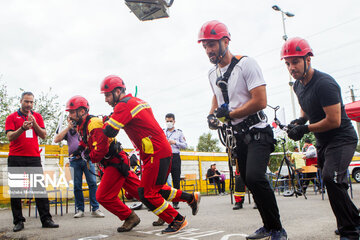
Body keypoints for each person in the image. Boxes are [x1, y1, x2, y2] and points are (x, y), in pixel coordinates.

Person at [198, 20, 287, 240]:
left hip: (258, 131)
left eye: (212, 44)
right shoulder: (212, 74)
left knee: (256, 176)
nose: (209, 50)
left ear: (225, 41)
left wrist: (231, 114)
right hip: (237, 136)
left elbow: (260, 101)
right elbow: (216, 97)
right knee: (248, 180)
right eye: (205, 46)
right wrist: (212, 115)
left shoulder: (246, 64)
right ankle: (268, 226)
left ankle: (278, 229)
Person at [100, 75, 200, 234]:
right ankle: (190, 198)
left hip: (155, 152)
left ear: (118, 91)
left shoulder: (123, 105)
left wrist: (106, 121)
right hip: (156, 151)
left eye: (107, 95)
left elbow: (110, 131)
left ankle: (176, 219)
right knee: (157, 189)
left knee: (146, 194)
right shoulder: (138, 101)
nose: (105, 99)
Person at [281, 37, 359, 240]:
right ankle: (353, 219)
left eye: (295, 62)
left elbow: (333, 120)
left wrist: (305, 128)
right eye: (288, 63)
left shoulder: (325, 84)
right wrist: (299, 121)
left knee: (330, 179)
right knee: (334, 183)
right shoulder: (298, 85)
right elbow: (306, 110)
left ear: (308, 59)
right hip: (323, 141)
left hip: (342, 138)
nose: (291, 67)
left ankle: (349, 231)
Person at [65, 95, 141, 232]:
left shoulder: (93, 123)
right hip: (111, 162)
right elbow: (84, 141)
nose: (70, 115)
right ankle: (170, 213)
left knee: (103, 196)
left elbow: (101, 149)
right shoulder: (81, 125)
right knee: (142, 191)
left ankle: (130, 217)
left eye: (72, 112)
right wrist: (80, 150)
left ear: (82, 111)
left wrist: (89, 156)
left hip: (115, 161)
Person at [5, 92, 59, 232]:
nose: (29, 104)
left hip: (33, 157)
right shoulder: (11, 117)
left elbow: (44, 135)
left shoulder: (38, 116)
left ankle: (46, 219)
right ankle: (18, 221)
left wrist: (34, 123)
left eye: (31, 102)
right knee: (16, 191)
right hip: (16, 157)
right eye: (26, 101)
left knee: (40, 190)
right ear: (21, 101)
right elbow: (10, 136)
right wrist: (22, 128)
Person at [54, 116, 104, 218]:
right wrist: (68, 127)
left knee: (93, 183)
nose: (72, 121)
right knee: (77, 185)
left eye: (73, 119)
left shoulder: (83, 129)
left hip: (87, 159)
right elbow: (56, 140)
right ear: (67, 120)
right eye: (69, 119)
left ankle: (95, 208)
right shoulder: (67, 131)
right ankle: (80, 209)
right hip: (74, 161)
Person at [164, 113, 188, 209]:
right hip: (164, 157)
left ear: (174, 121)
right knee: (161, 179)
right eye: (167, 121)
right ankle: (160, 201)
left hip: (175, 157)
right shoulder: (162, 132)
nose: (169, 123)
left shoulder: (179, 132)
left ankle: (176, 202)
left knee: (176, 180)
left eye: (171, 121)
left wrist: (175, 142)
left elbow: (185, 145)